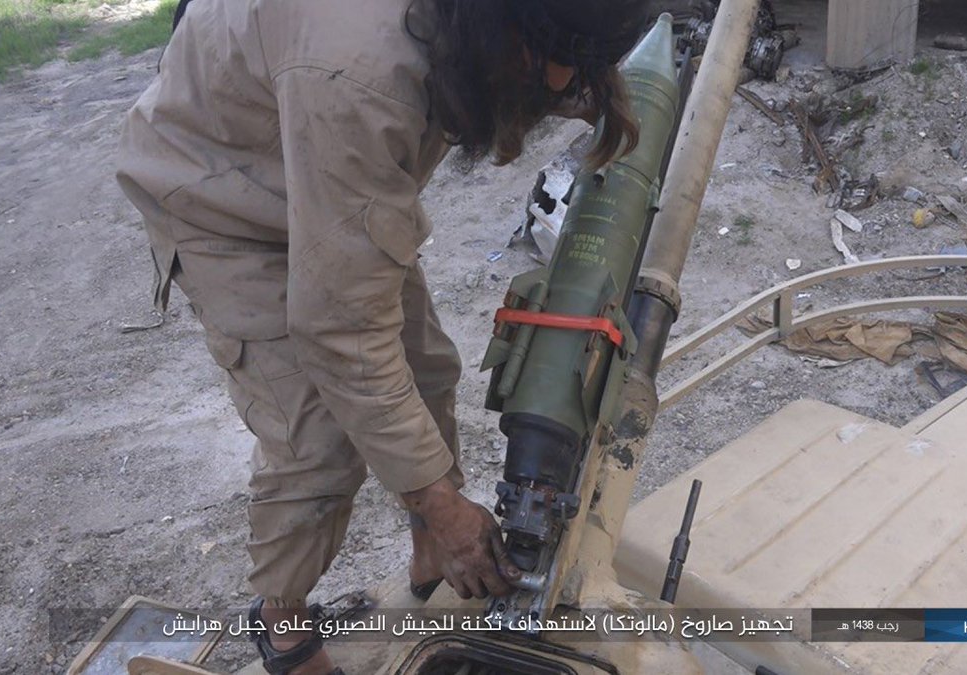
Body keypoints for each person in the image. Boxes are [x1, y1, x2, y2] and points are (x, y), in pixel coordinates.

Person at [115, 0, 649, 673]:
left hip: (312, 152)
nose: (561, 81)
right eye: (557, 63)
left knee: (426, 371)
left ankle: (429, 554)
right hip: (219, 196)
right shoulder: (362, 75)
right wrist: (441, 501)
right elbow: (342, 333)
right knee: (317, 444)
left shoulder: (471, 25)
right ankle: (283, 628)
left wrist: (578, 86)